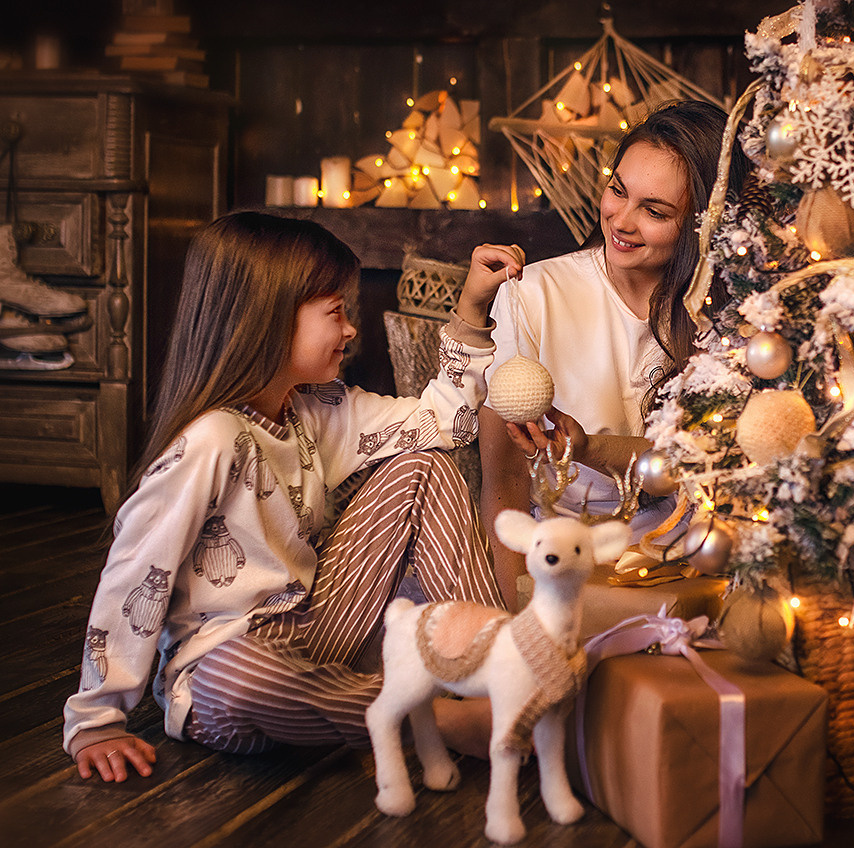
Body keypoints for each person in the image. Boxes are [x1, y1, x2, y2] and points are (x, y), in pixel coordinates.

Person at [64, 211, 525, 782]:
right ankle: (437, 721)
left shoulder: (316, 411)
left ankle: (502, 666)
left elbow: (448, 424)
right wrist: (97, 716)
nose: (350, 329)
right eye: (335, 312)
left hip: (314, 631)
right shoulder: (212, 441)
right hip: (224, 672)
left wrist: (473, 308)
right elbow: (137, 571)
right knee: (240, 675)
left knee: (422, 465)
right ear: (268, 322)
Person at [479, 100, 750, 608]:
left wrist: (591, 450)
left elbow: (716, 468)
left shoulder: (732, 316)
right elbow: (503, 479)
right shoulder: (534, 292)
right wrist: (518, 609)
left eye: (654, 211)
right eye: (618, 191)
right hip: (565, 566)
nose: (621, 221)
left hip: (697, 561)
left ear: (705, 223)